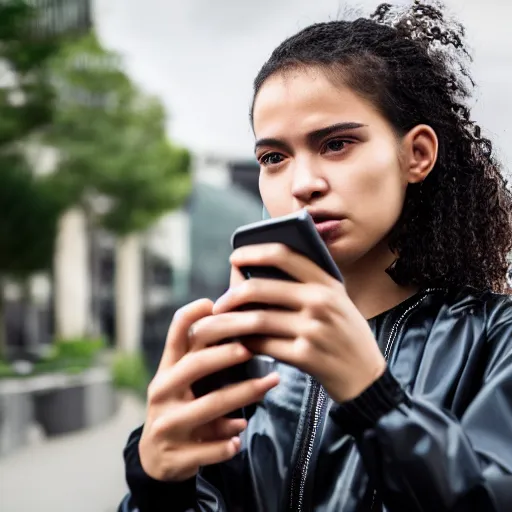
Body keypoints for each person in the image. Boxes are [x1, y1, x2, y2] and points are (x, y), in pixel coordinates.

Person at [118, 1, 512, 510]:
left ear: (416, 154)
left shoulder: (496, 340)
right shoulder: (239, 359)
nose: (303, 185)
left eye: (337, 144)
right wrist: (156, 483)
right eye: (274, 158)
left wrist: (376, 401)